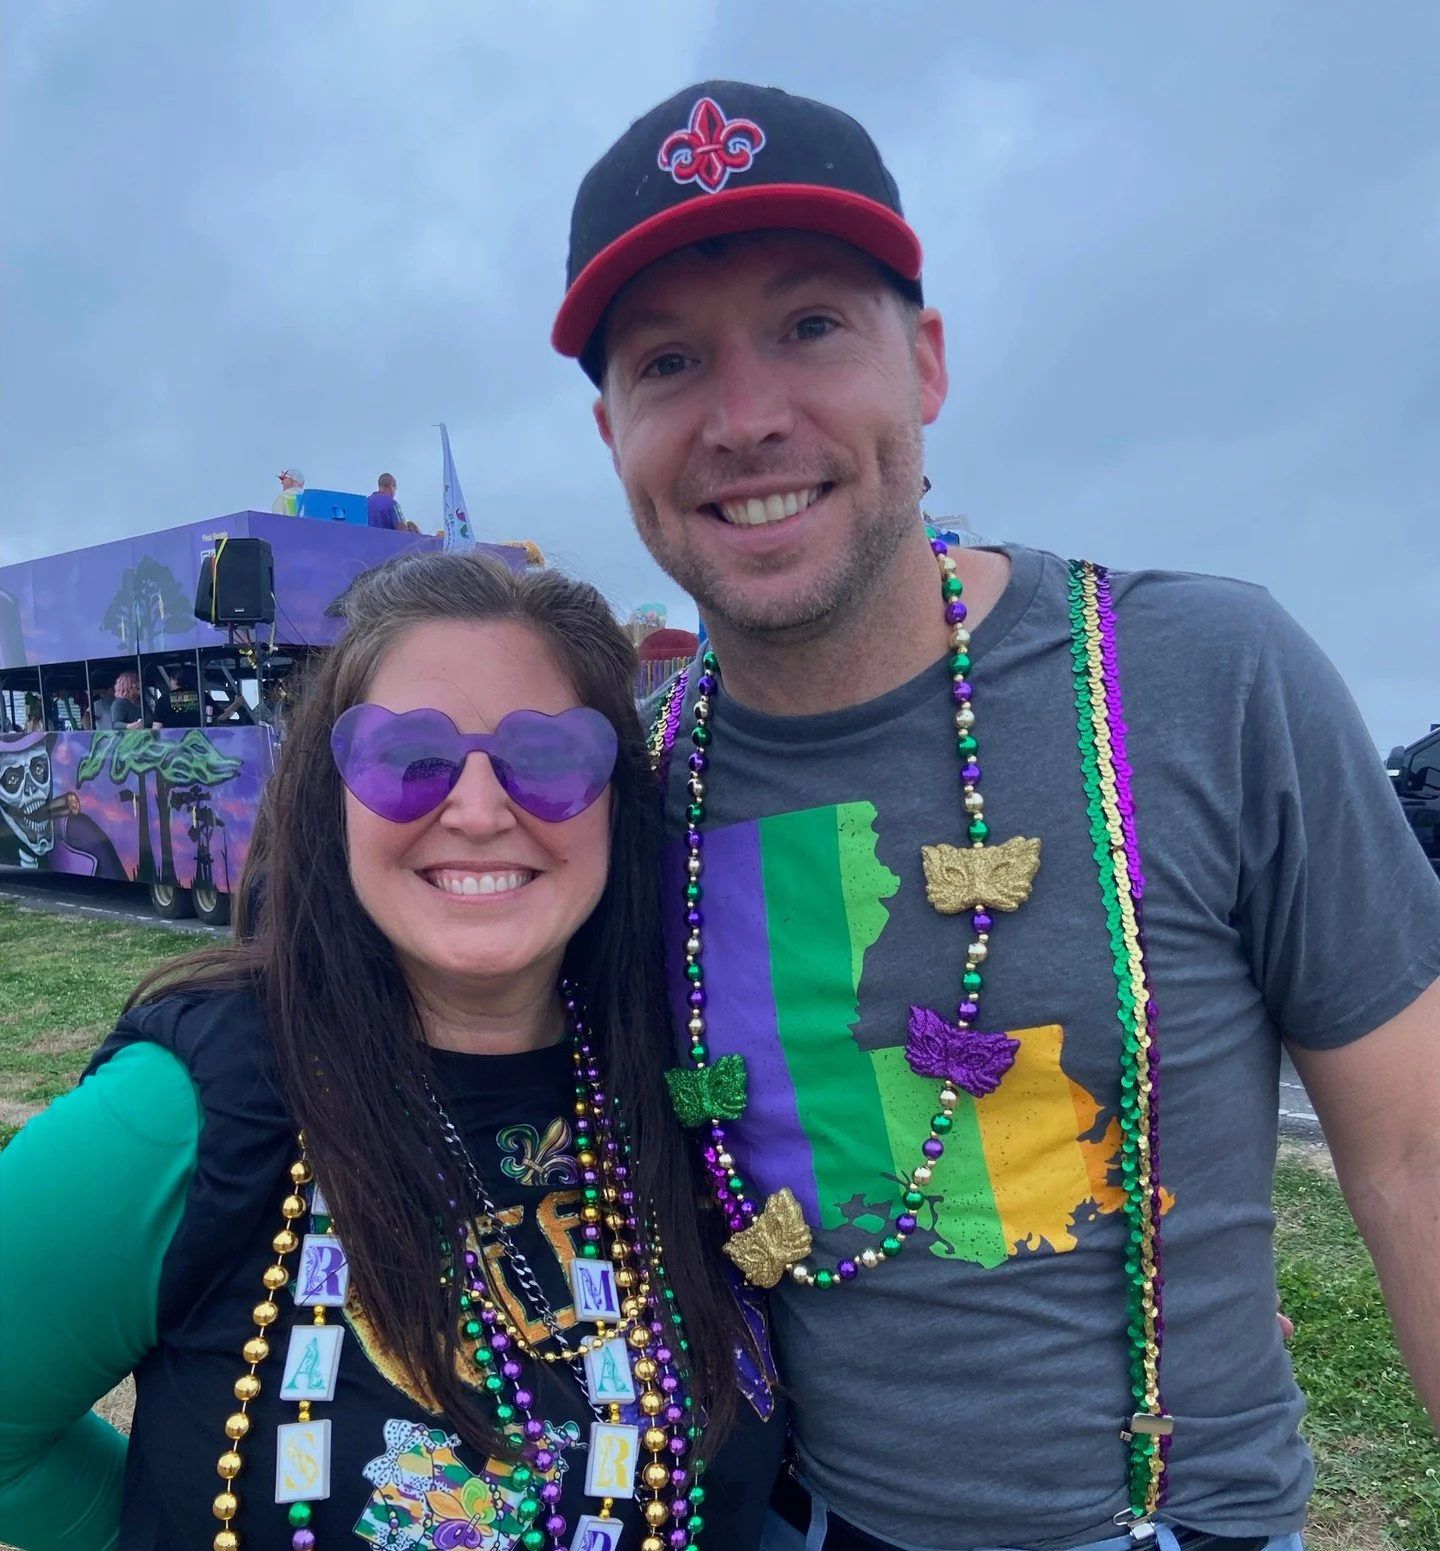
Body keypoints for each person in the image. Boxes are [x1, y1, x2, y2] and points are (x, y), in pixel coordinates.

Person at [550, 81, 1440, 1551]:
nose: (748, 416)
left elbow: (1414, 1155)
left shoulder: (1207, 673)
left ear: (930, 362)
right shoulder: (636, 788)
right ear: (612, 429)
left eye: (813, 325)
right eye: (669, 361)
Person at [0, 549, 783, 1551]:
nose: (477, 808)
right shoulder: (192, 1103)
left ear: (615, 798)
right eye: (408, 757)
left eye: (546, 757)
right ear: (333, 797)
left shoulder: (693, 1082)